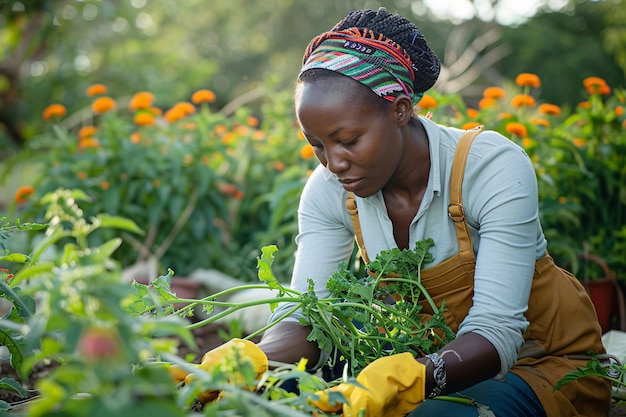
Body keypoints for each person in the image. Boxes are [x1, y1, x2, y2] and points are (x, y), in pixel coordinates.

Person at [182, 7, 612, 417]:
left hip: (537, 366)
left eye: (348, 139)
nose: (333, 162)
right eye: (317, 145)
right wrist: (245, 361)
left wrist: (402, 381)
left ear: (400, 109)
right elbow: (309, 317)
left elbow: (497, 334)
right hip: (418, 361)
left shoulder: (489, 167)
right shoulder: (330, 191)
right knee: (272, 398)